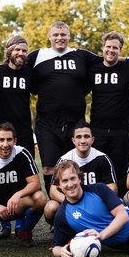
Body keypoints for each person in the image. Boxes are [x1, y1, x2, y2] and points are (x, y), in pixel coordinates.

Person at [26, 21, 104, 196]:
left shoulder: (81, 55)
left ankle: (78, 206)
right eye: (55, 35)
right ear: (49, 37)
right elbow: (10, 66)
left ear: (69, 36)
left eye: (63, 35)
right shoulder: (38, 55)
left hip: (75, 123)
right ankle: (56, 208)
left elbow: (108, 59)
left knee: (75, 167)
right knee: (48, 167)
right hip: (47, 123)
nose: (59, 38)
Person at [0, 35, 34, 238]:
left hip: (24, 133)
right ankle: (4, 222)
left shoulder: (30, 74)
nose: (21, 54)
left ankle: (22, 225)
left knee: (24, 179)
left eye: (24, 51)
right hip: (2, 135)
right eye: (17, 50)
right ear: (9, 52)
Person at [88, 31, 129, 196]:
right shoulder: (93, 69)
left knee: (120, 170)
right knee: (98, 169)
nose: (111, 50)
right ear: (103, 48)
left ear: (120, 50)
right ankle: (98, 205)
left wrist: (123, 101)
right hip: (97, 129)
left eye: (115, 48)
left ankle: (121, 207)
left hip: (121, 129)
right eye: (108, 47)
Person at [44, 121, 118, 224]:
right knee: (51, 207)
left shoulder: (102, 158)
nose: (83, 140)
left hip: (95, 204)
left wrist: (92, 202)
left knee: (120, 203)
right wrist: (71, 201)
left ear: (92, 139)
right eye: (79, 137)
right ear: (73, 140)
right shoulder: (65, 159)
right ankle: (61, 225)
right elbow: (53, 191)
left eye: (86, 136)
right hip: (71, 203)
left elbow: (113, 188)